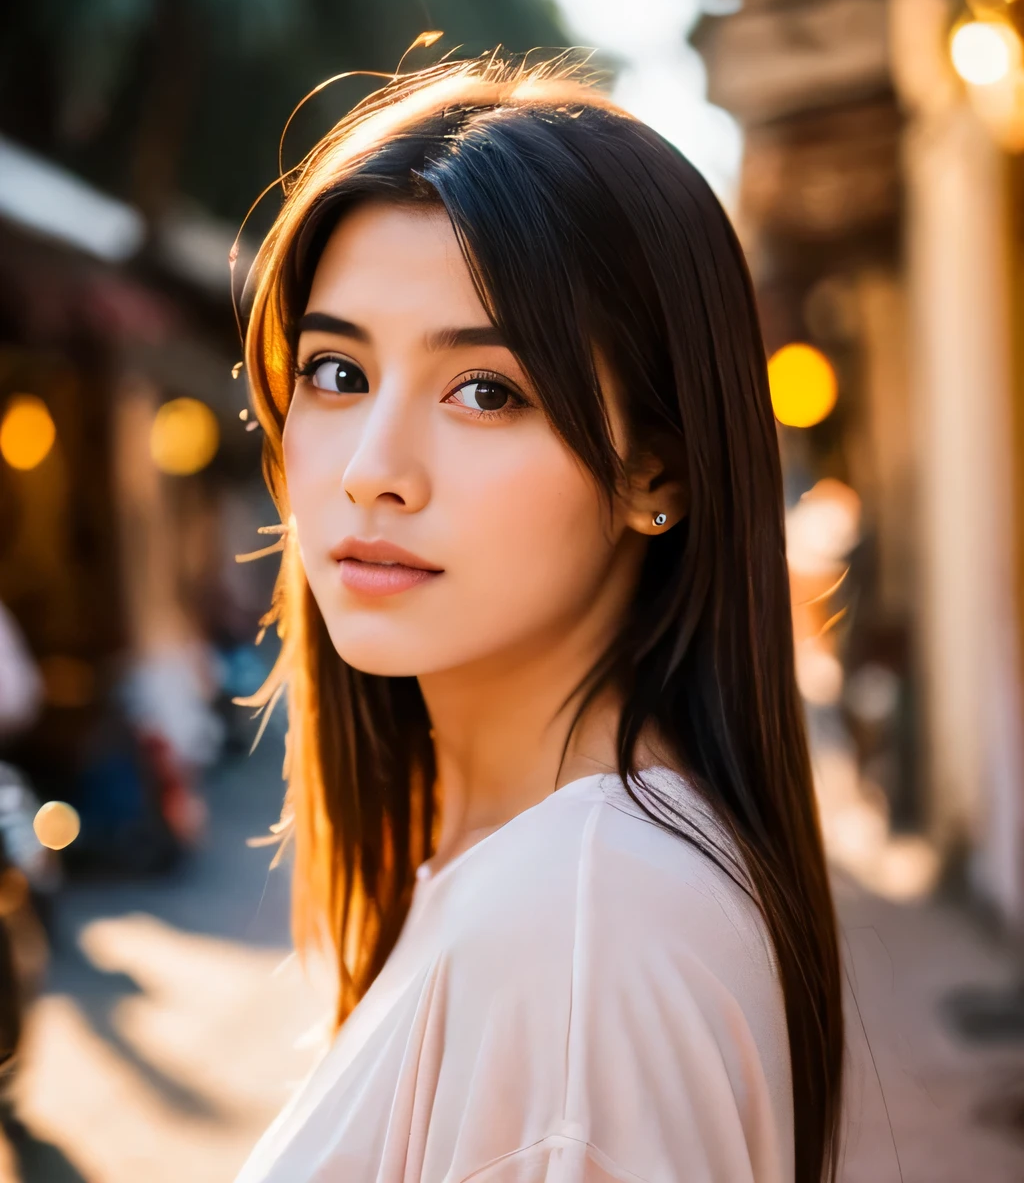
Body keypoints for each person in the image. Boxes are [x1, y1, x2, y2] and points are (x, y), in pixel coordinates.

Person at [235, 58, 844, 1183]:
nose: (374, 471)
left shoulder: (589, 920)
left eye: (485, 391)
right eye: (334, 370)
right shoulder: (541, 877)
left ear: (653, 471)